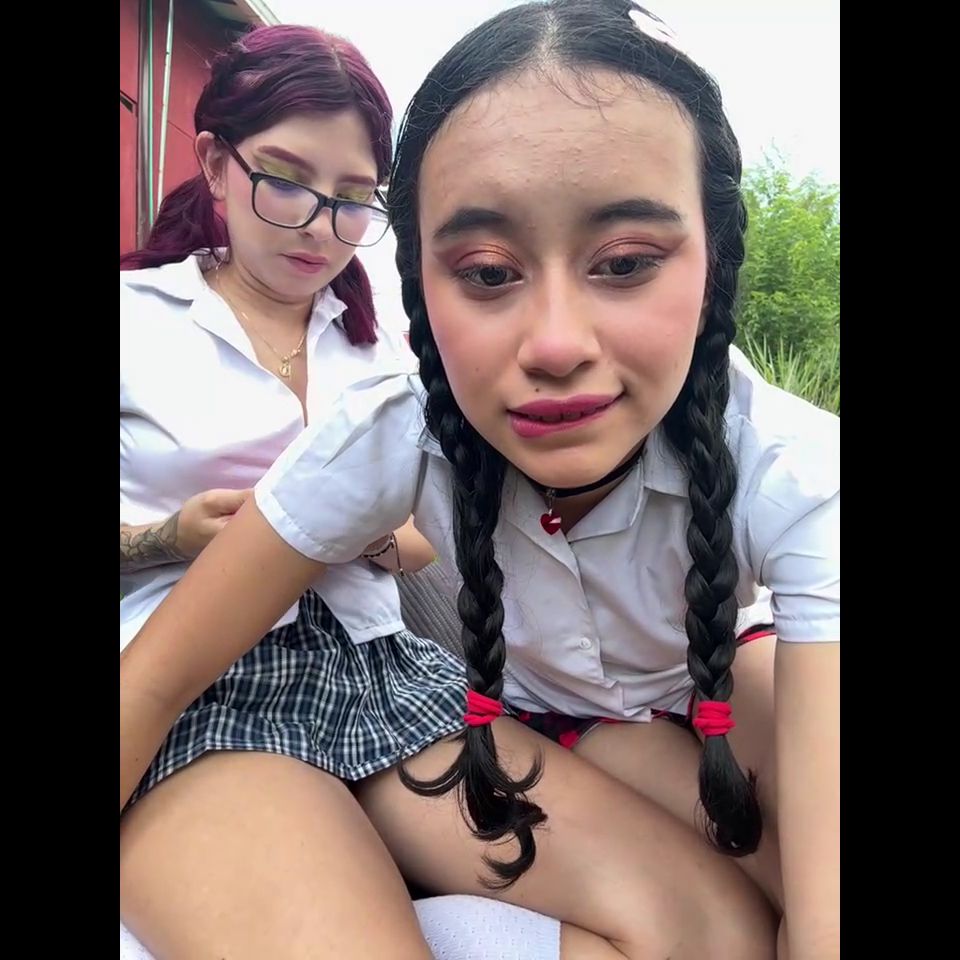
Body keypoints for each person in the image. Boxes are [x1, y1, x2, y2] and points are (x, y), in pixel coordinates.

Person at [126, 2, 840, 955]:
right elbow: (157, 676)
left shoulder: (377, 360)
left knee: (731, 927)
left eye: (626, 262)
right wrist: (164, 536)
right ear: (215, 165)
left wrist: (381, 544)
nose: (556, 344)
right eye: (490, 272)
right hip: (238, 682)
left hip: (395, 673)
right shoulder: (181, 338)